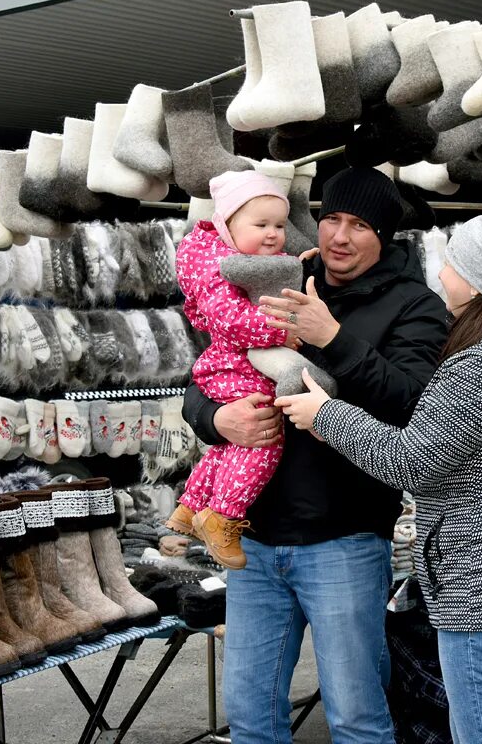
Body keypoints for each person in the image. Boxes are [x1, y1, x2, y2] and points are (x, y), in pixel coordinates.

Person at [276, 213, 482, 744]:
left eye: (454, 260)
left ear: (480, 279)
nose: (442, 269)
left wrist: (327, 416)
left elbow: (412, 461)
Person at [182, 167, 448, 744]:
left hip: (343, 539)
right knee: (251, 717)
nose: (339, 237)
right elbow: (211, 369)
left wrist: (333, 337)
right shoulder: (279, 273)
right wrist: (214, 418)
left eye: (359, 225)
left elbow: (412, 404)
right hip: (253, 541)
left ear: (387, 236)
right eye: (331, 219)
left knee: (356, 718)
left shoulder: (417, 306)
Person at [168, 171, 307, 569]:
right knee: (263, 438)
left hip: (234, 366)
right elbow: (229, 319)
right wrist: (280, 329)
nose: (272, 234)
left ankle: (192, 504)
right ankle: (223, 515)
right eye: (260, 224)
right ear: (227, 226)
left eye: (280, 225)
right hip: (233, 367)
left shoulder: (241, 259)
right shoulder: (217, 266)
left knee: (233, 444)